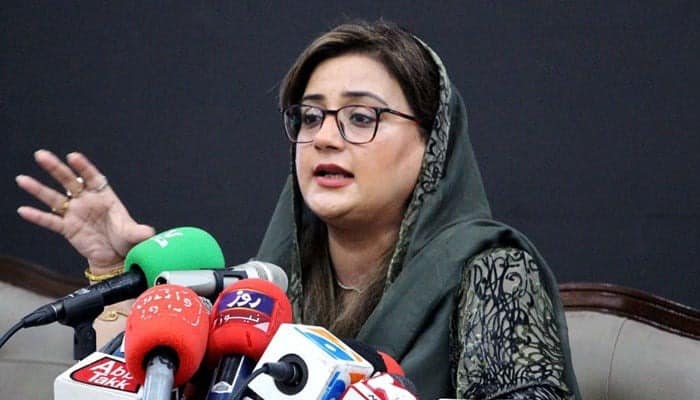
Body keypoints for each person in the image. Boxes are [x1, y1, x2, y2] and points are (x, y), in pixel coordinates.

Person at [16, 20, 581, 399]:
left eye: (361, 117)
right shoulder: (268, 283)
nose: (325, 138)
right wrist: (116, 275)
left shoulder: (495, 271)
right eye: (310, 117)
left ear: (433, 143)